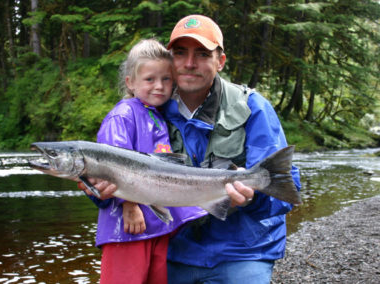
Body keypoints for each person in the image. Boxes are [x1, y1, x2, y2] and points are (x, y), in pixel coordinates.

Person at [81, 15, 301, 284]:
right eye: (180, 53)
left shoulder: (252, 107)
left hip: (242, 250)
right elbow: (124, 176)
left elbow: (286, 191)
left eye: (202, 54)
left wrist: (252, 197)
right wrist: (100, 192)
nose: (189, 63)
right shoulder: (148, 108)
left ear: (220, 61)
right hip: (177, 250)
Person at [86, 39, 207, 284]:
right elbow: (111, 165)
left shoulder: (158, 115)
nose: (159, 86)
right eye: (150, 79)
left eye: (166, 79)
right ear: (130, 82)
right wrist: (128, 205)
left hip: (156, 226)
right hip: (126, 228)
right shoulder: (122, 115)